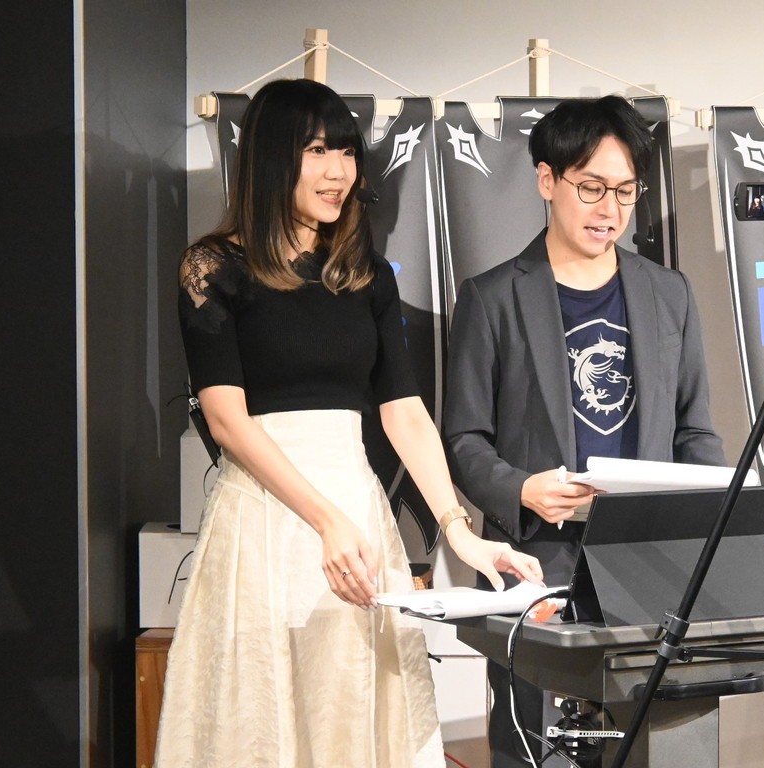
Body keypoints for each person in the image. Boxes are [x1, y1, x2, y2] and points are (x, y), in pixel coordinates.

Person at [155, 78, 543, 768]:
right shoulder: (213, 267)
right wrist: (325, 521)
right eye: (317, 151)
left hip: (358, 516)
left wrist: (459, 532)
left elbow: (404, 412)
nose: (339, 171)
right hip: (265, 516)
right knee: (261, 720)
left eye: (346, 152)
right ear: (272, 157)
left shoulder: (365, 274)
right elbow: (227, 420)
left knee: (355, 714)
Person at [442, 95, 726, 767]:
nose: (610, 209)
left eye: (625, 191)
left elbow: (695, 433)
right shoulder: (492, 297)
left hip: (647, 561)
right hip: (538, 561)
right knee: (538, 747)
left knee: (654, 745)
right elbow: (463, 440)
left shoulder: (668, 292)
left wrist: (709, 525)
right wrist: (522, 490)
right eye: (592, 187)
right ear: (548, 180)